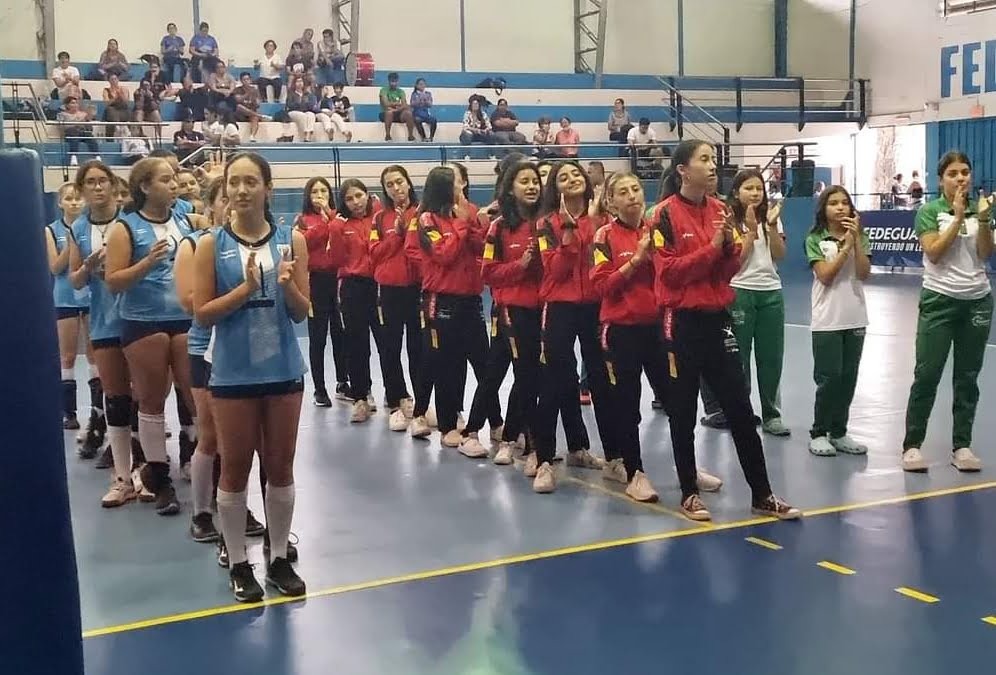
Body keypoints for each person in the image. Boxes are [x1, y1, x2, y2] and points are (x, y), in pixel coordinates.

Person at [652, 141, 800, 521]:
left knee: (739, 407)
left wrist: (729, 248)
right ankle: (688, 491)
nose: (712, 165)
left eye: (713, 160)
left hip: (718, 318)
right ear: (683, 170)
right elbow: (668, 273)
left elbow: (729, 267)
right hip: (680, 322)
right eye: (703, 159)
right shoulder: (663, 215)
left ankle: (762, 494)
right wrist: (713, 249)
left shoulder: (721, 210)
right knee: (683, 410)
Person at [193, 152, 309, 602]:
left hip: (283, 370)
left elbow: (302, 312)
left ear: (267, 188)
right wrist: (244, 289)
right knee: (236, 467)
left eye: (250, 182)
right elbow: (202, 314)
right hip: (232, 373)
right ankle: (240, 563)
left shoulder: (292, 241)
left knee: (280, 467)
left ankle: (278, 557)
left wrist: (286, 286)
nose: (241, 190)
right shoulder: (209, 244)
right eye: (234, 182)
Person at [104, 157, 195, 515]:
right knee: (152, 400)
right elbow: (113, 281)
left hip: (184, 319)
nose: (174, 185)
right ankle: (160, 478)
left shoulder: (184, 221)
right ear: (144, 187)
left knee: (195, 396)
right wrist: (147, 264)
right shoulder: (124, 229)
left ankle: (206, 465)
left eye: (175, 179)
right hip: (143, 322)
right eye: (166, 180)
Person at [901, 151, 993, 472]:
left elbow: (984, 253)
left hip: (978, 301)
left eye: (965, 172)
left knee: (968, 377)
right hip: (939, 300)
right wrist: (956, 217)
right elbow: (935, 253)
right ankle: (912, 446)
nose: (960, 178)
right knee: (927, 375)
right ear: (940, 179)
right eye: (953, 173)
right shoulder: (929, 211)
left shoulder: (983, 210)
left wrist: (981, 219)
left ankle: (962, 446)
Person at [530, 160, 613, 493]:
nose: (572, 179)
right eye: (562, 177)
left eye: (576, 174)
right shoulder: (545, 224)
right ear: (556, 187)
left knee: (603, 382)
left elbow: (602, 264)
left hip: (594, 308)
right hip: (559, 307)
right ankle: (546, 460)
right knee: (554, 382)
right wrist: (567, 231)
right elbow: (555, 271)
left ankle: (613, 457)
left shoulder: (603, 221)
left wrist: (590, 224)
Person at [68, 160, 143, 507]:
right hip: (103, 321)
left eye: (103, 181)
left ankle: (148, 466)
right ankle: (122, 477)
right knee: (115, 397)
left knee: (144, 395)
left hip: (138, 317)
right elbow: (75, 280)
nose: (97, 188)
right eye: (90, 183)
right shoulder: (79, 228)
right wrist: (88, 266)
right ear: (82, 190)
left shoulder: (130, 223)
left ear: (114, 186)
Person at [414, 166, 490, 442]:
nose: (462, 187)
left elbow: (482, 248)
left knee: (485, 362)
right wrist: (461, 224)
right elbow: (443, 254)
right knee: (447, 363)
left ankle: (494, 422)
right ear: (445, 188)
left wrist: (474, 223)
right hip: (441, 300)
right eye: (457, 183)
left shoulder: (466, 214)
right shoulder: (426, 219)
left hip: (471, 299)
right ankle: (447, 427)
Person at [479, 162, 545, 469]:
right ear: (510, 188)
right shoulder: (499, 227)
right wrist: (522, 265)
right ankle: (516, 442)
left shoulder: (548, 223)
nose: (532, 186)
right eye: (524, 182)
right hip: (514, 312)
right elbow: (489, 273)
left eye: (535, 181)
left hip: (547, 312)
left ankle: (521, 438)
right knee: (523, 375)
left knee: (538, 377)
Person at [804, 186, 871, 457]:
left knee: (848, 378)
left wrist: (855, 240)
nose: (841, 208)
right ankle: (819, 432)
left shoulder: (859, 237)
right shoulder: (815, 239)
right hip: (827, 320)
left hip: (855, 317)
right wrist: (845, 248)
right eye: (834, 203)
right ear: (824, 209)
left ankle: (839, 432)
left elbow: (864, 273)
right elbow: (826, 276)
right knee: (829, 378)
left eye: (845, 203)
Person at [329, 179, 401, 422]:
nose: (355, 202)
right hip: (352, 288)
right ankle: (361, 397)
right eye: (349, 199)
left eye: (359, 196)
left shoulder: (379, 218)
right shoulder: (341, 225)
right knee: (357, 345)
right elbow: (336, 259)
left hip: (380, 286)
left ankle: (395, 396)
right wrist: (335, 229)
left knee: (387, 343)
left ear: (368, 196)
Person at [727, 169, 790, 436]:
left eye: (759, 189)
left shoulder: (770, 218)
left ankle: (771, 415)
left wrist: (771, 227)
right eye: (748, 188)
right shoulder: (729, 221)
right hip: (740, 291)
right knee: (738, 358)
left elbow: (779, 255)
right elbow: (736, 261)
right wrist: (751, 232)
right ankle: (740, 412)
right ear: (736, 192)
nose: (755, 193)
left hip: (771, 293)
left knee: (771, 357)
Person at [47, 183, 103, 451]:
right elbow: (56, 266)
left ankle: (96, 411)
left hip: (90, 295)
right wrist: (72, 242)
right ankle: (69, 412)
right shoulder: (51, 230)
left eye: (77, 199)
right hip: (65, 297)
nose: (74, 203)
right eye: (68, 199)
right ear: (60, 203)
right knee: (68, 356)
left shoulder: (90, 228)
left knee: (95, 355)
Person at [370, 165, 421, 431]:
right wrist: (398, 236)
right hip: (389, 291)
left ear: (409, 183)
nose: (396, 188)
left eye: (399, 182)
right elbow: (375, 253)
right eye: (389, 184)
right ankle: (395, 401)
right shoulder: (380, 218)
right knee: (390, 347)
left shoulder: (423, 212)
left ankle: (420, 404)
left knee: (418, 348)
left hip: (417, 290)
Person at [295, 177, 349, 406]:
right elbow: (302, 244)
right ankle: (319, 388)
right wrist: (324, 225)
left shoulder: (338, 216)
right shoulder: (303, 220)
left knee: (340, 335)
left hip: (337, 281)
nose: (319, 195)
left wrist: (333, 221)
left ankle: (342, 382)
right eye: (315, 191)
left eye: (324, 191)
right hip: (315, 282)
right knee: (318, 339)